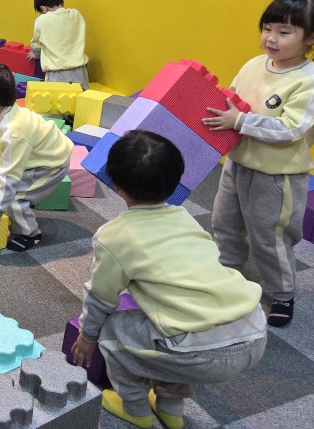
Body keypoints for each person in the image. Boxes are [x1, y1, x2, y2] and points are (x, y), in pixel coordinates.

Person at [71, 130, 266, 429]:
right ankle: (170, 408)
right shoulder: (184, 217)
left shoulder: (113, 236)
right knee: (169, 327)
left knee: (111, 330)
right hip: (253, 331)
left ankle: (135, 408)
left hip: (204, 353)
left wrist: (87, 338)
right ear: (175, 182)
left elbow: (101, 298)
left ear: (116, 185)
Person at [203, 0, 314, 327]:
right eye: (267, 28)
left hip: (277, 176)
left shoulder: (310, 82)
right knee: (224, 223)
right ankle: (227, 273)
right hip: (238, 164)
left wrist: (240, 121)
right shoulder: (254, 65)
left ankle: (281, 293)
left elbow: (291, 129)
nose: (270, 38)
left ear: (312, 37)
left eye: (284, 32)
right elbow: (232, 99)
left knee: (269, 237)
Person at [0, 63, 72, 251]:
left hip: (51, 163)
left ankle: (30, 233)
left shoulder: (13, 132)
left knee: (15, 198)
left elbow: (10, 177)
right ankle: (6, 209)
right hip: (31, 156)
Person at [29, 0, 89, 90]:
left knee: (57, 100)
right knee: (81, 99)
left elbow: (36, 44)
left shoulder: (42, 20)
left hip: (57, 74)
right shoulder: (76, 14)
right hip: (80, 72)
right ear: (63, 2)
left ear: (43, 9)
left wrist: (36, 54)